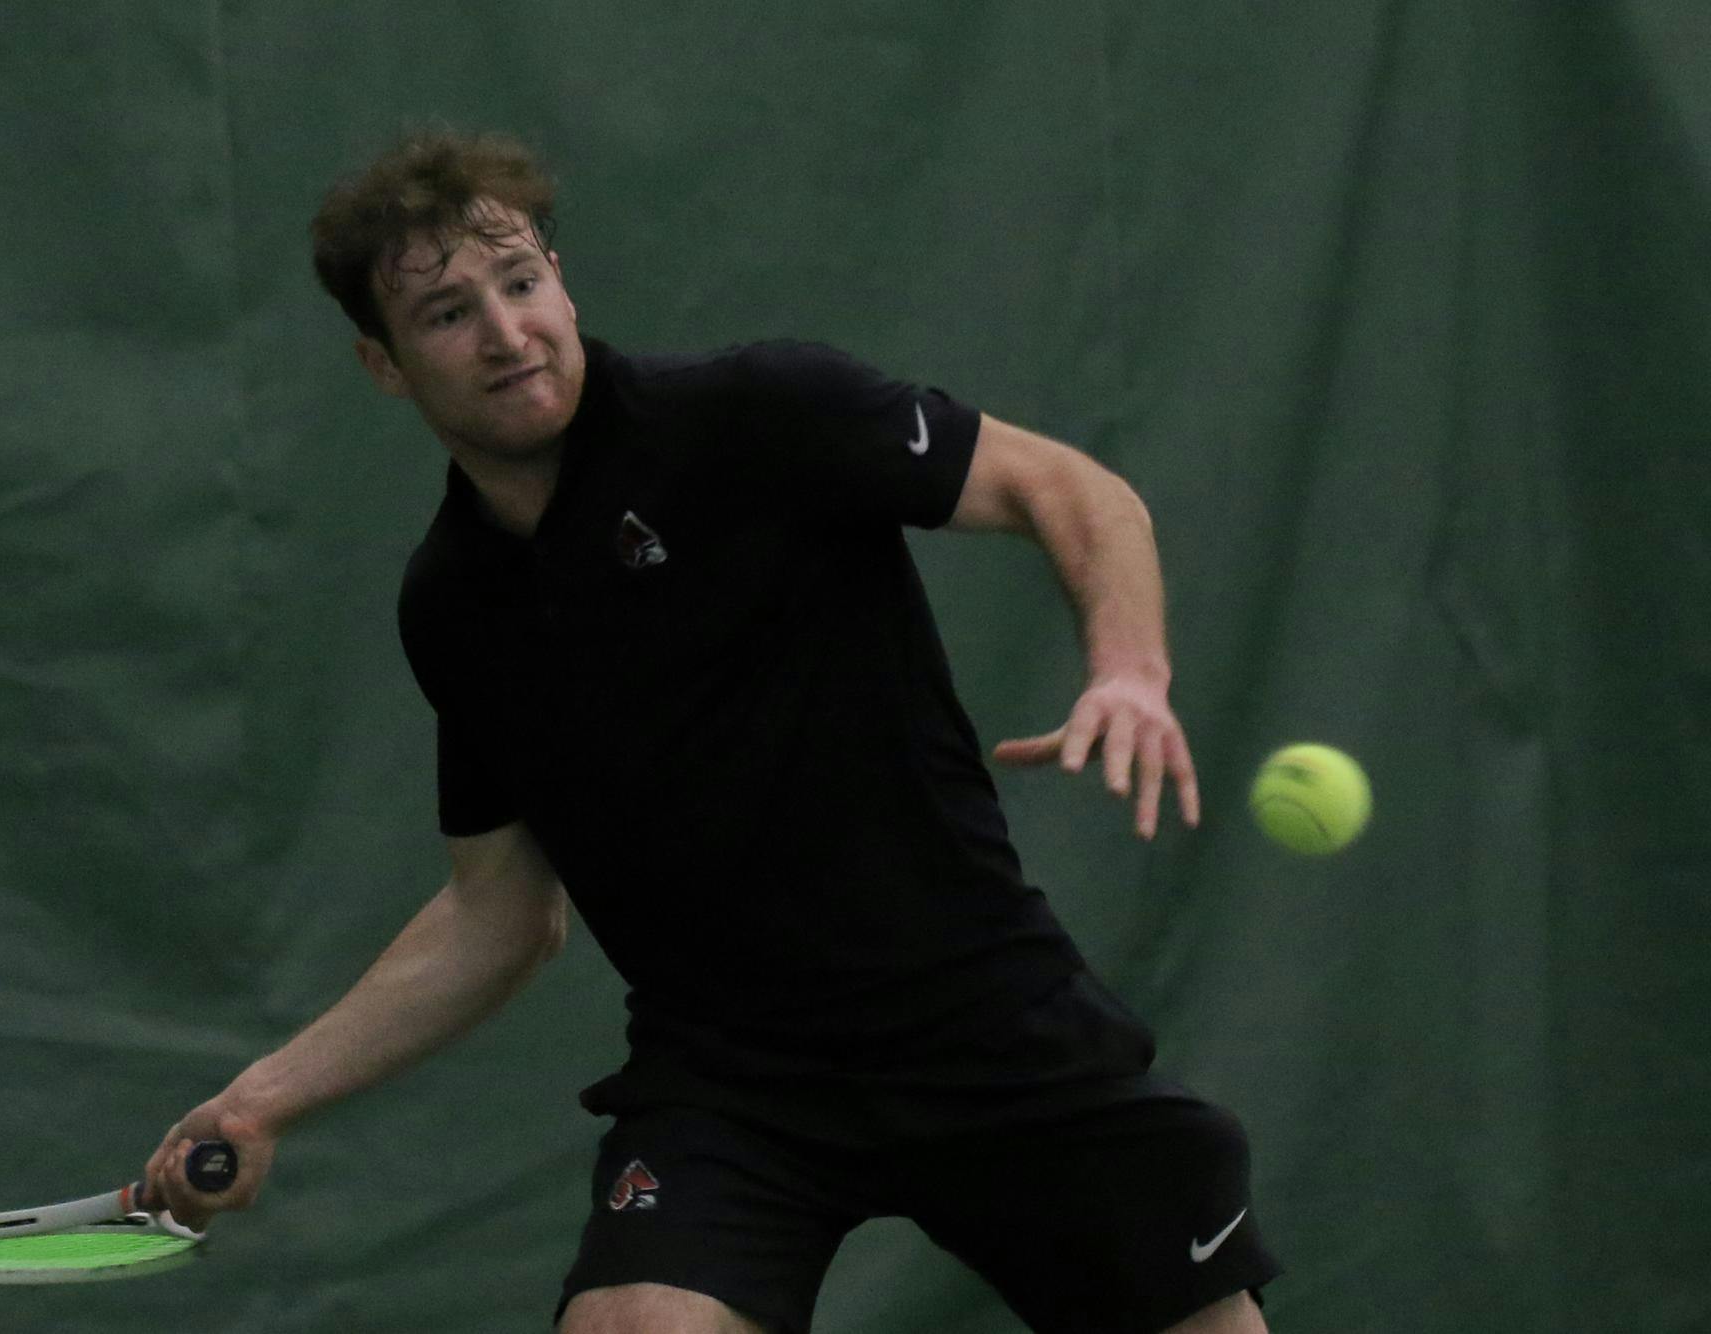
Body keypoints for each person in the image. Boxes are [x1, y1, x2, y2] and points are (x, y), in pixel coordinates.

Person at [143, 129, 1281, 1334]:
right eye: (445, 313)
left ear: (562, 283)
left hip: (980, 1018)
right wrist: (263, 1097)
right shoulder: (453, 602)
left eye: (520, 283)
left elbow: (1071, 490)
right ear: (383, 363)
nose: (506, 332)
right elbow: (501, 912)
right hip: (734, 1081)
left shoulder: (760, 414)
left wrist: (1129, 673)